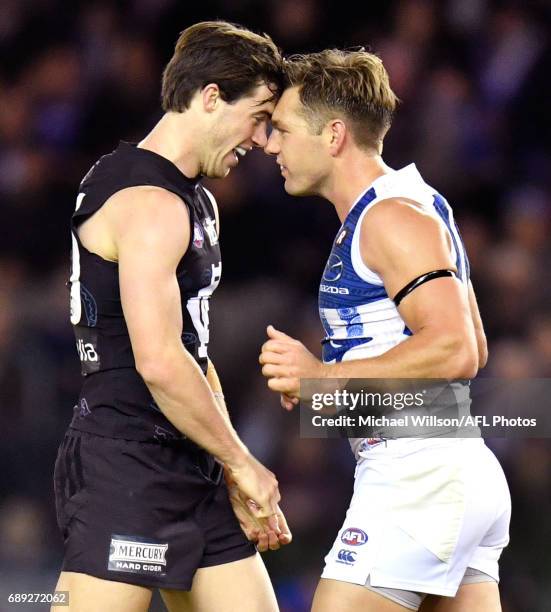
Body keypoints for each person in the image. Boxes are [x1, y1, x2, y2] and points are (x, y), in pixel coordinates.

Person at [260, 50, 510, 612]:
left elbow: (457, 348)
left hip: (419, 478)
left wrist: (324, 377)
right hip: (448, 470)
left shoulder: (390, 218)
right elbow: (471, 343)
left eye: (281, 129)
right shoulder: (415, 205)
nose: (271, 146)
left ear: (333, 135)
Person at [53, 21, 291, 612]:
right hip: (126, 463)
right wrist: (243, 461)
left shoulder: (192, 198)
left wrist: (228, 466)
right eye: (258, 116)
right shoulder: (150, 203)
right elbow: (158, 362)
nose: (262, 139)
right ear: (211, 97)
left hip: (189, 458)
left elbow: (193, 351)